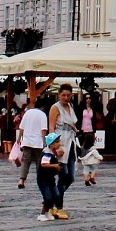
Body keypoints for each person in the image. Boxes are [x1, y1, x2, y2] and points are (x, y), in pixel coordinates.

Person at [47, 82, 78, 218]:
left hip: (71, 144)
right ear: (59, 95)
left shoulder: (71, 107)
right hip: (61, 143)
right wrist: (55, 146)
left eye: (68, 95)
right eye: (63, 95)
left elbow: (72, 124)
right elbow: (51, 128)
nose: (66, 97)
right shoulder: (55, 108)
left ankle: (53, 199)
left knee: (70, 177)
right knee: (63, 175)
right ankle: (58, 207)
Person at [16, 95, 49, 190]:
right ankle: (40, 180)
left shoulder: (28, 113)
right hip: (38, 142)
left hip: (27, 141)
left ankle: (21, 180)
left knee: (25, 161)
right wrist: (44, 142)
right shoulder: (42, 115)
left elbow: (21, 127)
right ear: (43, 107)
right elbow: (43, 130)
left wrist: (19, 139)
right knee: (39, 162)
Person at [36, 132, 65, 222]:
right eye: (57, 142)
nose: (59, 144)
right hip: (43, 180)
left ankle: (48, 212)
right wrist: (55, 166)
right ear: (51, 144)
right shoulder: (47, 154)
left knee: (56, 195)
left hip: (50, 179)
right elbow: (44, 164)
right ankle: (42, 214)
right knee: (48, 197)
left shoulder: (53, 153)